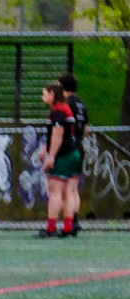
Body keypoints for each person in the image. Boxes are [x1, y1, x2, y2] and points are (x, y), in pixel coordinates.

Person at [40, 80, 82, 238]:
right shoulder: (66, 108)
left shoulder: (57, 111)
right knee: (69, 191)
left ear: (52, 94)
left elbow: (58, 134)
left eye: (44, 94)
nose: (42, 97)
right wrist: (45, 148)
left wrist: (51, 157)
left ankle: (51, 228)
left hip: (63, 154)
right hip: (74, 152)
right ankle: (68, 228)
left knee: (55, 191)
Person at [59, 72, 88, 234]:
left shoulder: (66, 105)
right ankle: (75, 219)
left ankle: (70, 220)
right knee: (73, 187)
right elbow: (85, 128)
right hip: (79, 146)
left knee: (65, 189)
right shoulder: (81, 105)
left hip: (68, 148)